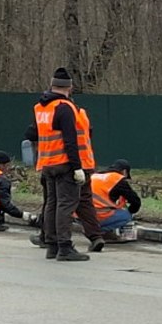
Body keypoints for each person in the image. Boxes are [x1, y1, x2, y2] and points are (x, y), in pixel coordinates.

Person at [34, 67, 89, 261]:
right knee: (66, 205)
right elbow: (70, 140)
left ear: (52, 85)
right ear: (69, 87)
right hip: (64, 163)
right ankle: (65, 247)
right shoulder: (64, 107)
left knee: (52, 203)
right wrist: (77, 167)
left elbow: (33, 133)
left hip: (47, 163)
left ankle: (52, 245)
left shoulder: (41, 107)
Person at [72, 93, 106, 253]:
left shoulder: (60, 114)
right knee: (85, 202)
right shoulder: (82, 114)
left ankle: (53, 238)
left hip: (66, 163)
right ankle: (95, 236)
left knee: (60, 202)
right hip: (86, 163)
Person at [91, 159, 141, 235]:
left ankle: (89, 229)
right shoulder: (117, 179)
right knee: (126, 216)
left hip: (82, 216)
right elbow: (136, 202)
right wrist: (130, 212)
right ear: (124, 171)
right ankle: (99, 231)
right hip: (99, 216)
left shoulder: (94, 176)